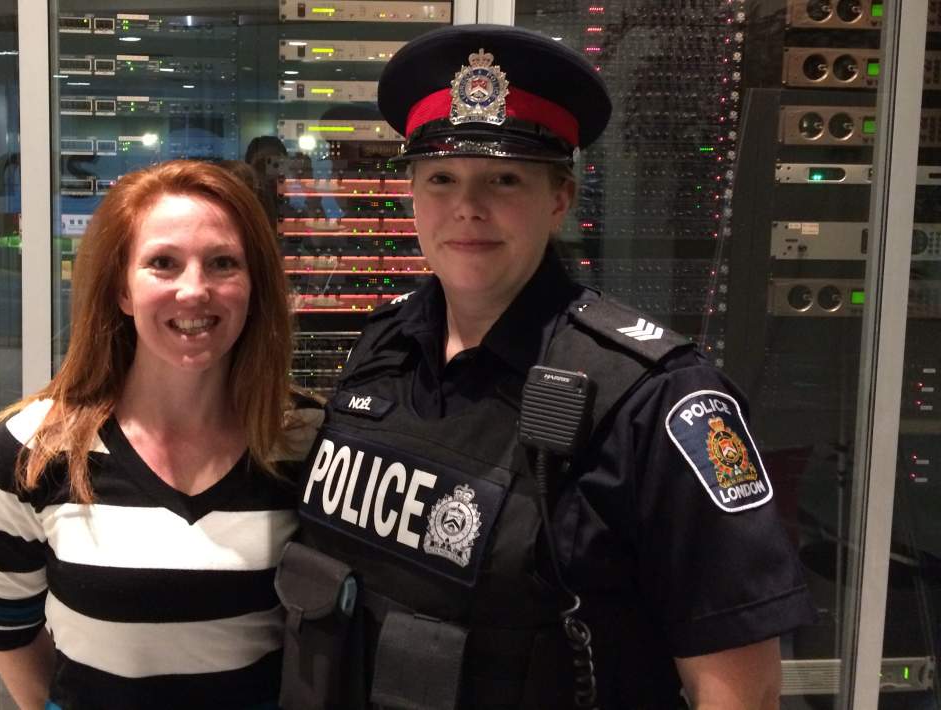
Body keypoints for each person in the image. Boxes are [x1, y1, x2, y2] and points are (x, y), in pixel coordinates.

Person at [275, 24, 816, 710]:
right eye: (441, 178)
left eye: (504, 178)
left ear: (558, 198)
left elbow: (741, 693)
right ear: (413, 193)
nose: (467, 206)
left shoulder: (654, 399)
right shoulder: (382, 350)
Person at [0, 160, 321, 710]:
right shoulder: (28, 452)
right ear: (121, 290)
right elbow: (6, 625)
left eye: (223, 263)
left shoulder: (309, 443)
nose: (194, 290)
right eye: (163, 264)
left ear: (254, 287)